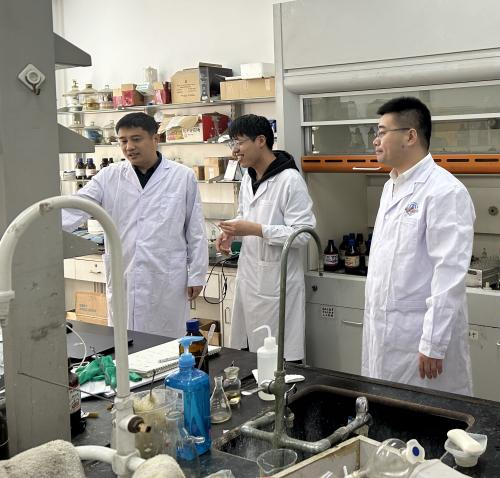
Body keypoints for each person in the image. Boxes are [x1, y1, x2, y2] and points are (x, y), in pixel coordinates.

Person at [362, 97, 475, 395]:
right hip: (385, 335)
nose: (375, 140)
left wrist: (433, 342)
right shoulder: (390, 186)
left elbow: (449, 273)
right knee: (385, 412)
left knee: (428, 415)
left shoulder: (445, 191)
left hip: (419, 339)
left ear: (410, 136)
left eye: (382, 131)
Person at [62, 112, 207, 337]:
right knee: (125, 341)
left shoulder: (182, 176)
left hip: (166, 276)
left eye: (136, 139)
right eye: (123, 141)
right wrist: (40, 230)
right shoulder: (109, 176)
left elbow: (195, 230)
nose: (129, 147)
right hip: (125, 273)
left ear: (155, 139)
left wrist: (197, 274)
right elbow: (76, 207)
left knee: (166, 342)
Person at [216, 115, 315, 358]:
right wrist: (230, 232)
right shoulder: (248, 178)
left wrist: (255, 229)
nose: (235, 150)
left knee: (278, 358)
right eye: (232, 143)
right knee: (249, 355)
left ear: (260, 140)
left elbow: (302, 234)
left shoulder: (290, 180)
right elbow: (245, 214)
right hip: (250, 278)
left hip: (277, 285)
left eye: (239, 142)